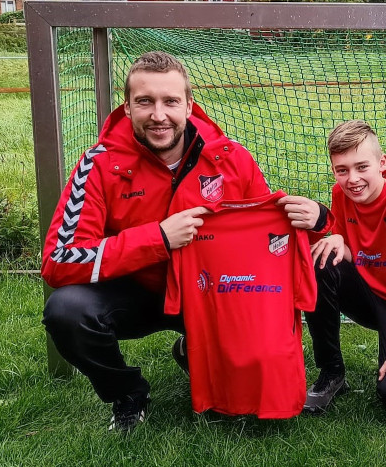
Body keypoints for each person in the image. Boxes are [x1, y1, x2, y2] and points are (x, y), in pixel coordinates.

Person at [41, 51, 280, 432]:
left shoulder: (231, 158)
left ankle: (194, 350)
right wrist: (159, 238)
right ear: (127, 107)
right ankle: (128, 393)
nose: (158, 115)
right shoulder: (98, 165)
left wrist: (319, 223)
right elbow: (59, 260)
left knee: (246, 383)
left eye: (170, 101)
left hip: (209, 293)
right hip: (136, 292)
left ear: (189, 105)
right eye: (145, 102)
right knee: (66, 311)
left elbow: (267, 234)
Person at [280, 120, 386, 416]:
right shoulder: (340, 194)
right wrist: (337, 241)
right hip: (368, 295)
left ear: (382, 163)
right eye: (342, 170)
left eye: (361, 167)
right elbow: (354, 253)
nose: (352, 179)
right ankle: (332, 372)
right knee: (319, 259)